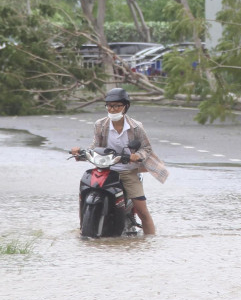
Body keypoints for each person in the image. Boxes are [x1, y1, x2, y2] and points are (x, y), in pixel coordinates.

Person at [71, 88, 169, 235]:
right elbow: (95, 146)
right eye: (110, 106)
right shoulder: (100, 124)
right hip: (105, 168)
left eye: (117, 105)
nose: (113, 109)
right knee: (84, 191)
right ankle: (82, 229)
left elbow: (146, 148)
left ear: (125, 107)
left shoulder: (136, 126)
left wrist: (138, 155)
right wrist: (81, 152)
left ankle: (150, 242)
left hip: (127, 171)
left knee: (142, 211)